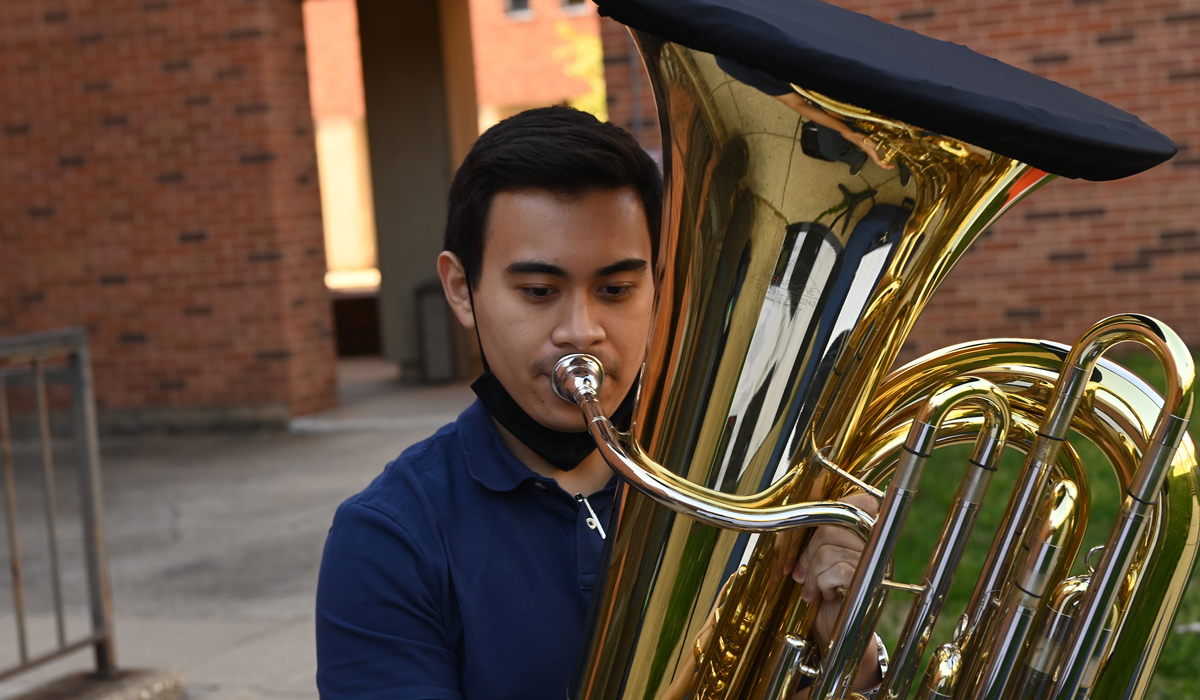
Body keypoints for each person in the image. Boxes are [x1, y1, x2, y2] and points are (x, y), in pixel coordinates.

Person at [315, 106, 880, 700]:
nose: (581, 330)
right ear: (462, 290)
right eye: (539, 291)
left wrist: (846, 653)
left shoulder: (745, 494)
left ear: (660, 285)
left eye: (616, 290)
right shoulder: (388, 539)